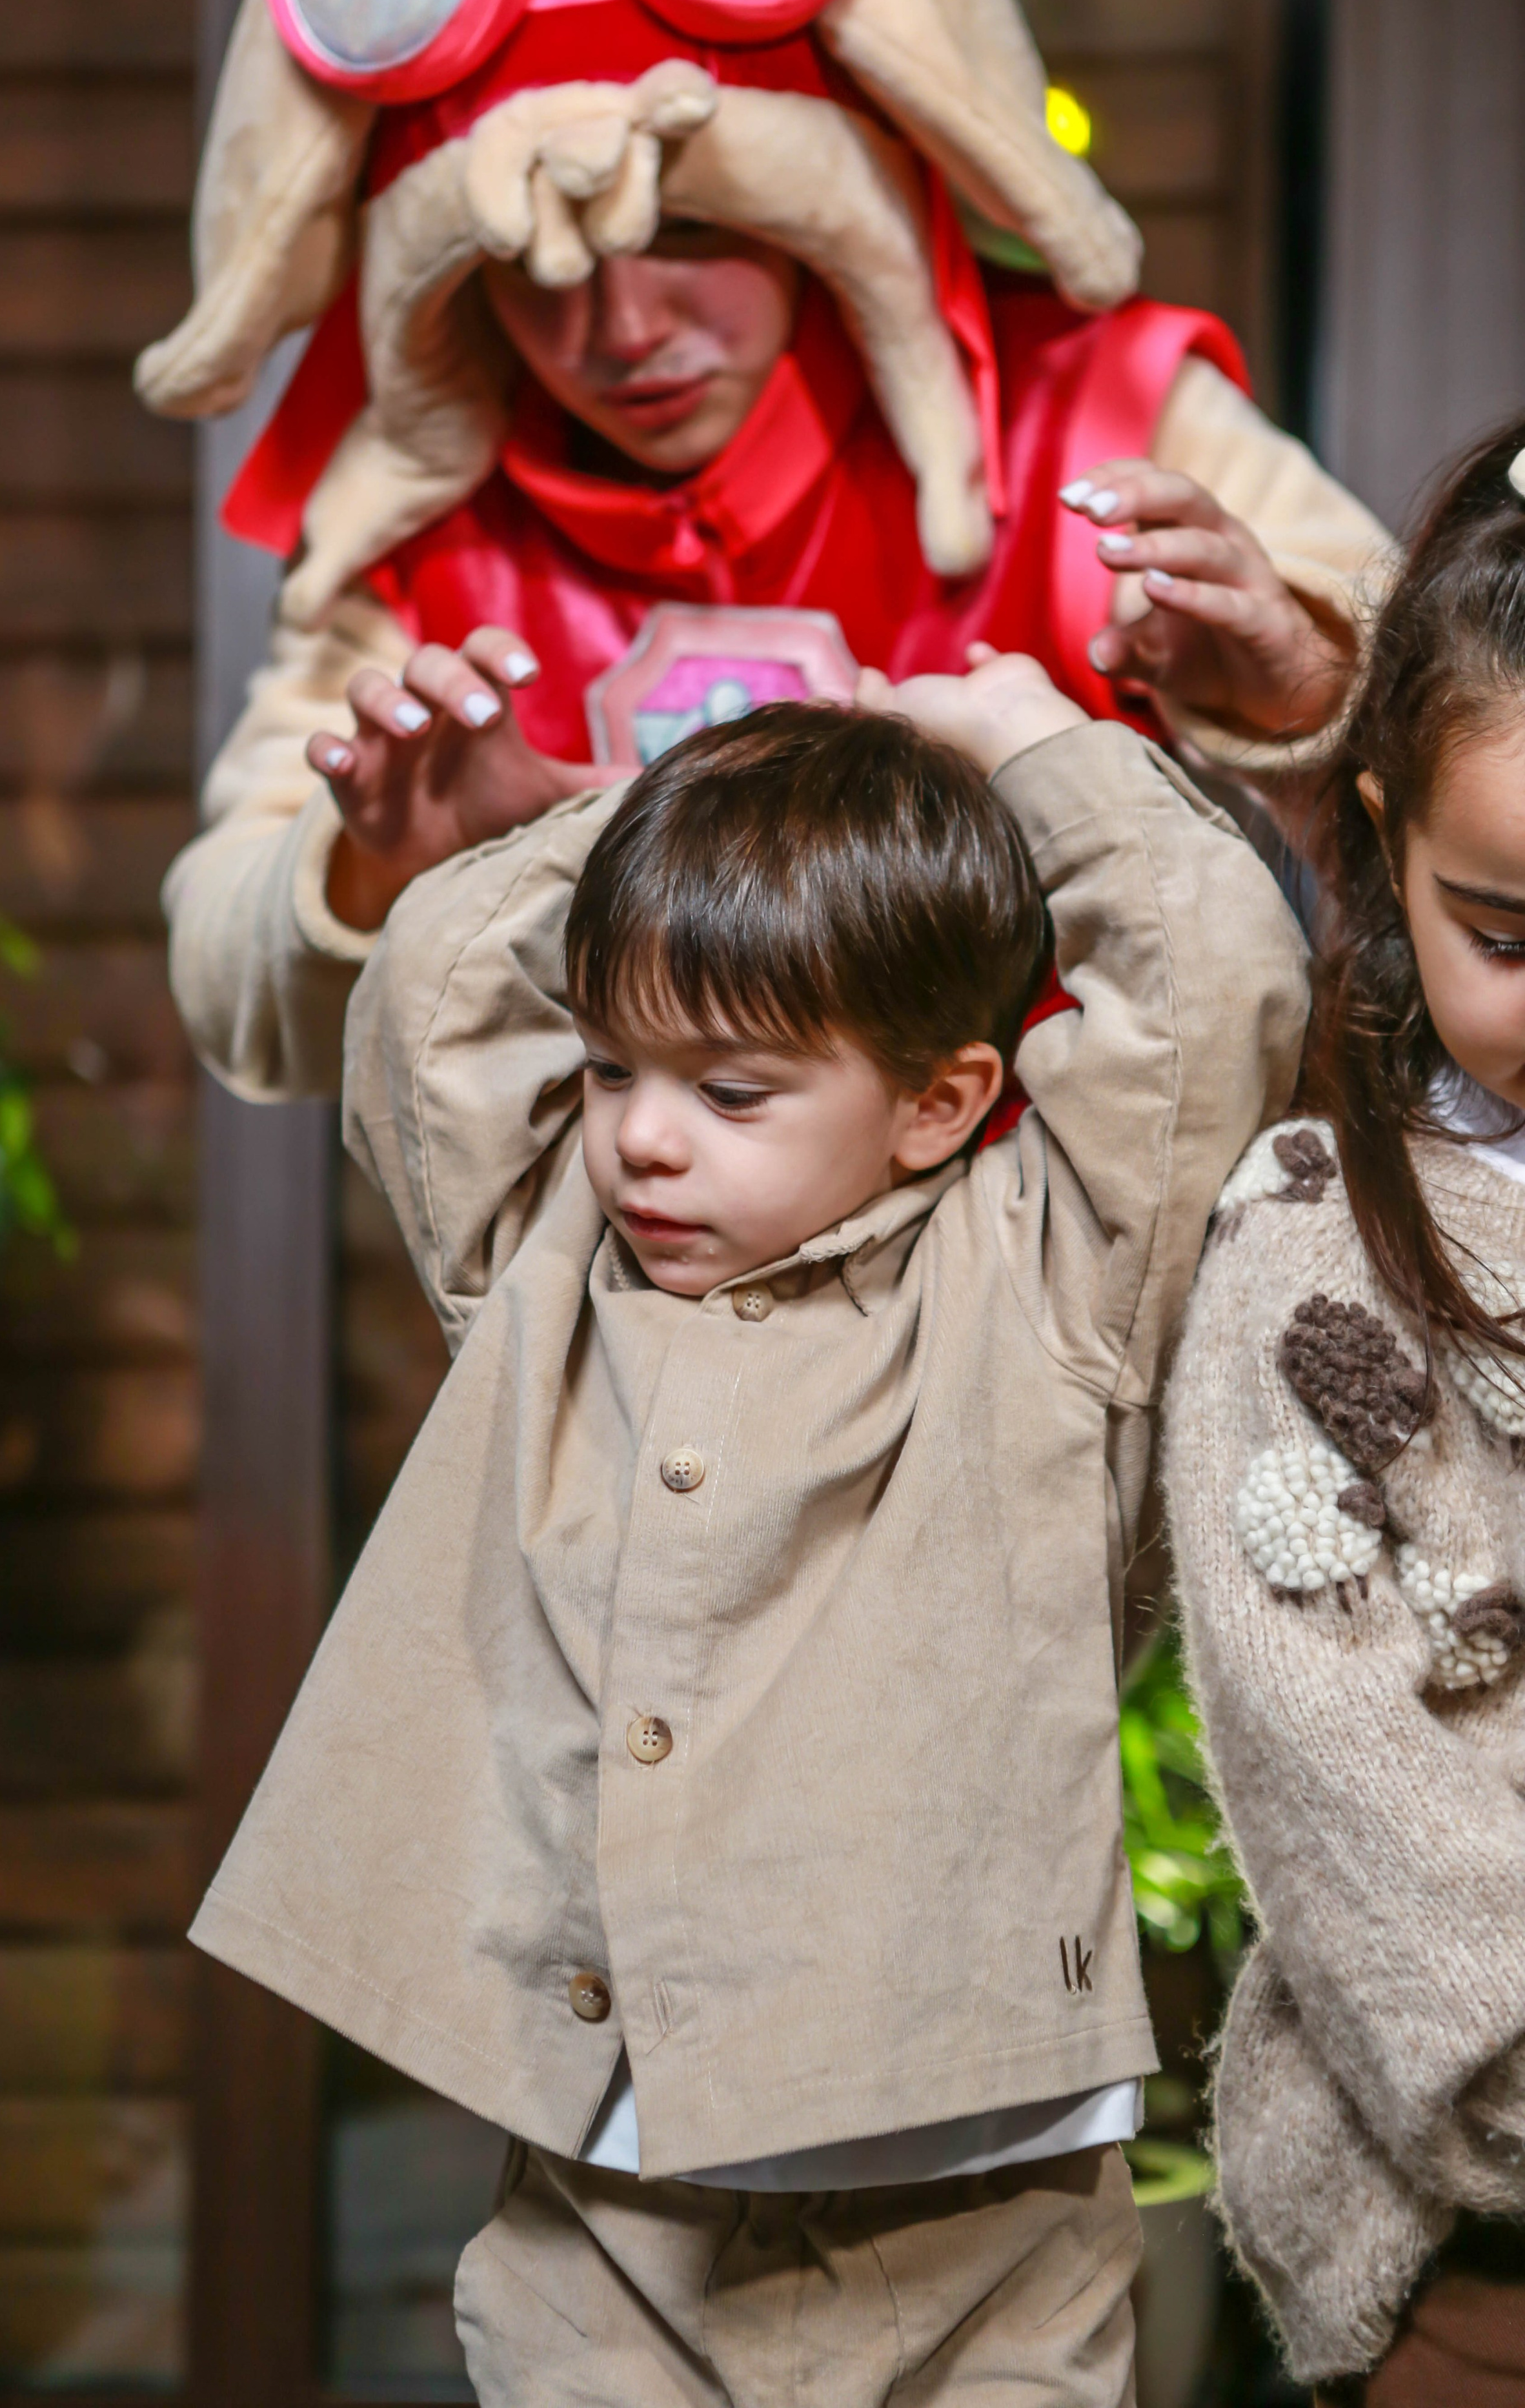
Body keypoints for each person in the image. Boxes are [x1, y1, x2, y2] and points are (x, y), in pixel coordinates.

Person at [187, 647, 1308, 2405]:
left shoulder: (1052, 1281)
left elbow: (1212, 967)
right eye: (616, 1066)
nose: (641, 1140)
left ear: (939, 1100)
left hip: (977, 2194)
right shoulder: (547, 1262)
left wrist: (1019, 744)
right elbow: (429, 995)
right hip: (609, 2195)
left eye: (732, 1094)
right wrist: (636, 798)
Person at [142, 0, 1388, 1095]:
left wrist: (1305, 697)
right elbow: (232, 998)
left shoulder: (1097, 418)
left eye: (690, 229)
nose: (623, 333)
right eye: (534, 265)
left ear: (834, 217)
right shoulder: (411, 528)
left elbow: (1476, 784)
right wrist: (376, 866)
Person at [1162, 417, 1525, 2405]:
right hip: (1473, 2232)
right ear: (1383, 828)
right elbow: (1339, 1768)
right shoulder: (1313, 1251)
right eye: (1510, 933)